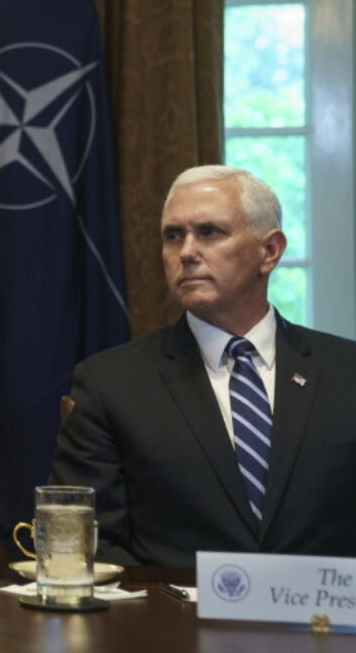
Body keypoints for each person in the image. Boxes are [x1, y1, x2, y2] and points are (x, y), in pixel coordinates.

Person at [51, 165, 356, 567]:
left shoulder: (345, 373)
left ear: (270, 251)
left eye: (210, 232)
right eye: (173, 236)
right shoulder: (110, 384)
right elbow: (91, 545)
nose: (187, 252)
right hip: (171, 624)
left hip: (328, 622)